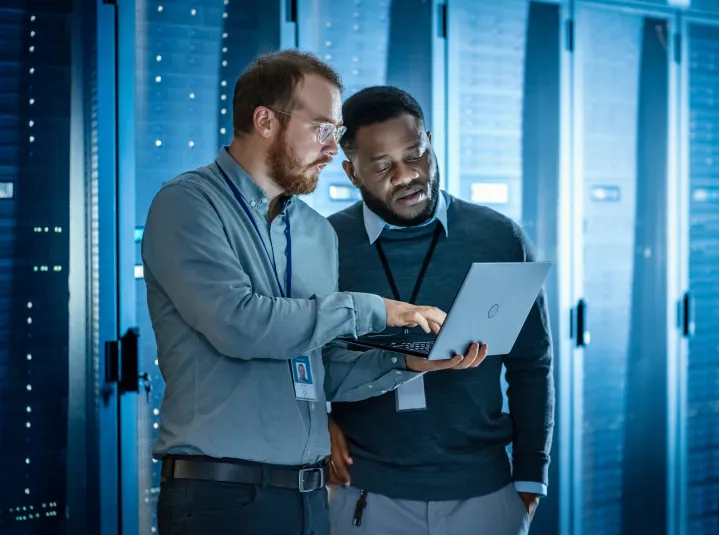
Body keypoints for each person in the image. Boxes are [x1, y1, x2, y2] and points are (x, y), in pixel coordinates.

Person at [142, 52, 481, 535]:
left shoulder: (316, 233)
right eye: (322, 129)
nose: (331, 150)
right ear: (264, 120)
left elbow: (323, 369)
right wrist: (376, 309)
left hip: (308, 498)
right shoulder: (188, 205)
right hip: (221, 497)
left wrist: (407, 363)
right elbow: (241, 325)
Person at [325, 86, 555, 535]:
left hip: (484, 495)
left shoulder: (497, 237)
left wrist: (530, 477)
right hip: (366, 496)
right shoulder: (327, 246)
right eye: (383, 166)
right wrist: (320, 420)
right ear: (353, 173)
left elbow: (532, 365)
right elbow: (300, 356)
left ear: (430, 141)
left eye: (416, 154)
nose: (407, 175)